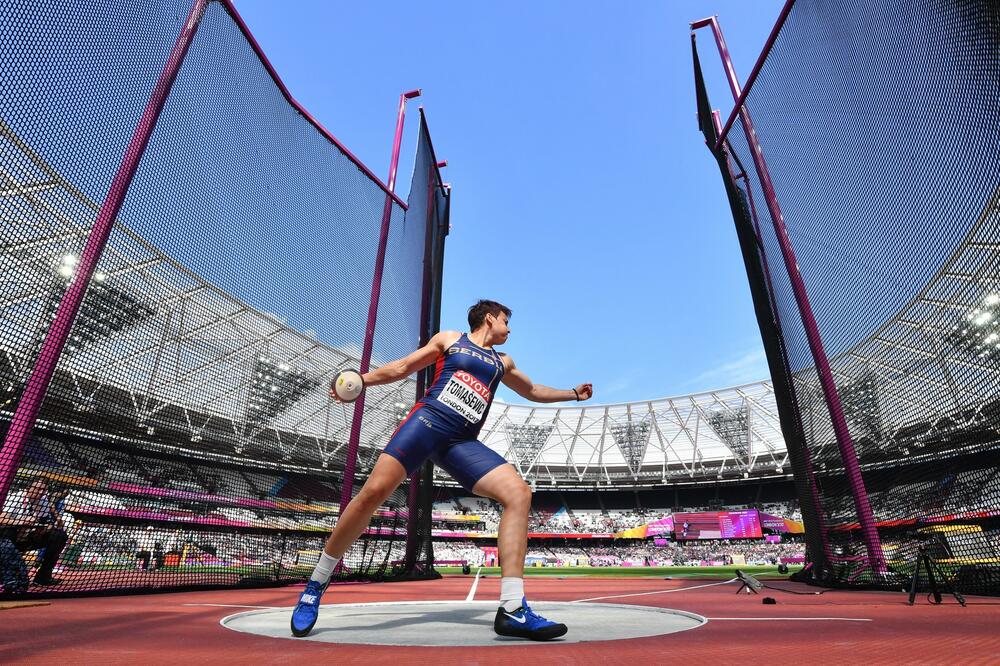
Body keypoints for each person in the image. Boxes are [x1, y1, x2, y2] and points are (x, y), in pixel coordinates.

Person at [291, 300, 592, 640]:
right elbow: (403, 367)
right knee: (374, 493)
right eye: (507, 320)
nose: (510, 329)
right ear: (490, 318)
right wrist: (362, 380)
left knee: (519, 492)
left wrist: (573, 394)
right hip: (427, 423)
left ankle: (512, 609)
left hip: (460, 442)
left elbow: (533, 390)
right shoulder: (450, 339)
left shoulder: (502, 362)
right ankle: (316, 583)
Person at [0, 477, 69, 586]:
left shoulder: (43, 501)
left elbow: (46, 521)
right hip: (9, 539)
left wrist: (48, 527)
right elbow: (2, 519)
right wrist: (22, 521)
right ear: (28, 488)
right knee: (7, 532)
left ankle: (43, 577)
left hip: (29, 537)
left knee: (59, 536)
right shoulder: (16, 498)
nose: (41, 492)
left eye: (44, 490)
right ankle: (7, 576)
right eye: (38, 489)